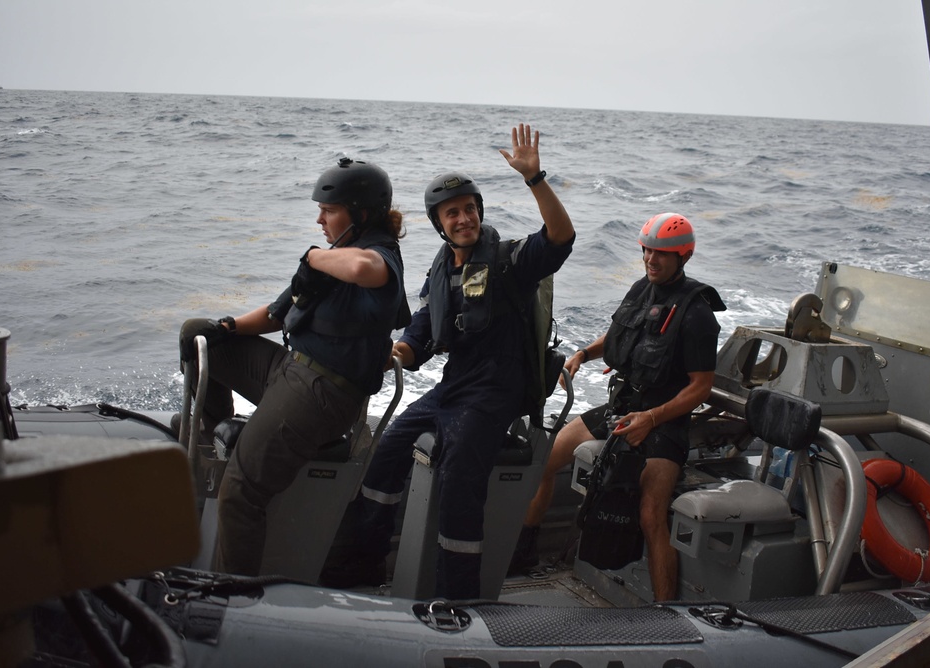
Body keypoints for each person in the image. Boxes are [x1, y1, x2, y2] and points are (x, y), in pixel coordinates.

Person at [327, 124, 575, 599]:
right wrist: (394, 353)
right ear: (439, 223)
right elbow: (422, 331)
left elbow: (560, 238)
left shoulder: (509, 262)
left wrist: (534, 179)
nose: (463, 219)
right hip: (453, 388)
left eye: (468, 209)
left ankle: (457, 598)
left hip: (497, 390)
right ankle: (364, 563)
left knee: (461, 478)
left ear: (479, 212)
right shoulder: (441, 270)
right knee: (388, 451)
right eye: (452, 213)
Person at [178, 158, 410, 576]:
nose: (319, 218)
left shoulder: (380, 255)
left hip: (322, 390)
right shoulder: (333, 254)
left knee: (240, 492)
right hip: (288, 368)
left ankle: (230, 600)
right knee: (196, 336)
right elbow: (278, 312)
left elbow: (362, 268)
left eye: (329, 210)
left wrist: (314, 256)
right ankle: (213, 425)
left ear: (360, 214)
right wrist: (226, 326)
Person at [510, 212, 725, 601]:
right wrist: (583, 354)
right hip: (621, 408)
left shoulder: (697, 315)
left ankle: (665, 611)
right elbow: (620, 333)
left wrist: (652, 418)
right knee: (542, 464)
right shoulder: (642, 288)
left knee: (650, 516)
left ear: (683, 257)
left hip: (663, 423)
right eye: (646, 251)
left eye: (661, 254)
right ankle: (523, 555)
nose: (650, 260)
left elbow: (701, 388)